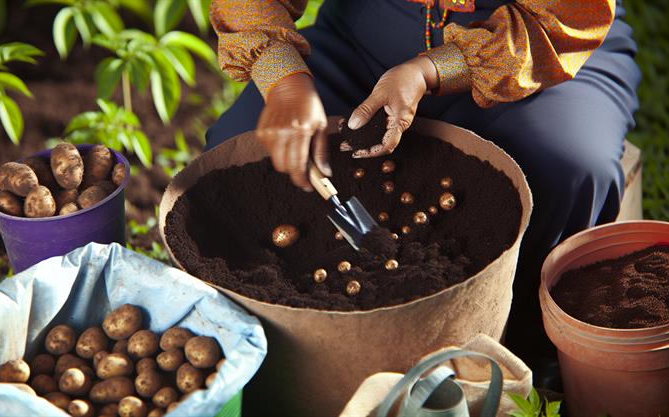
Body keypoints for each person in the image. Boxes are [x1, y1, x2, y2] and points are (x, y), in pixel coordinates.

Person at [206, 0, 640, 387]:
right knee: (238, 146)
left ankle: (530, 347)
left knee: (565, 165)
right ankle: (275, 353)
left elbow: (563, 14)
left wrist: (428, 71)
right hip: (366, 35)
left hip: (534, 38)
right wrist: (283, 79)